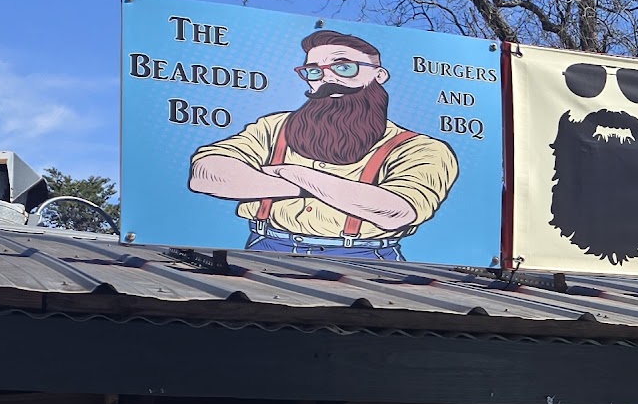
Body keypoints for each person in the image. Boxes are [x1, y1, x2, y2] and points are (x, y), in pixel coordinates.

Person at [187, 29, 458, 260]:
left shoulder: (420, 148)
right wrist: (312, 189)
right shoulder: (275, 127)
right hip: (268, 247)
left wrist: (293, 172)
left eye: (344, 68)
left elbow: (397, 211)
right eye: (314, 71)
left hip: (365, 257)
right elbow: (206, 173)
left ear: (379, 75)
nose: (328, 79)